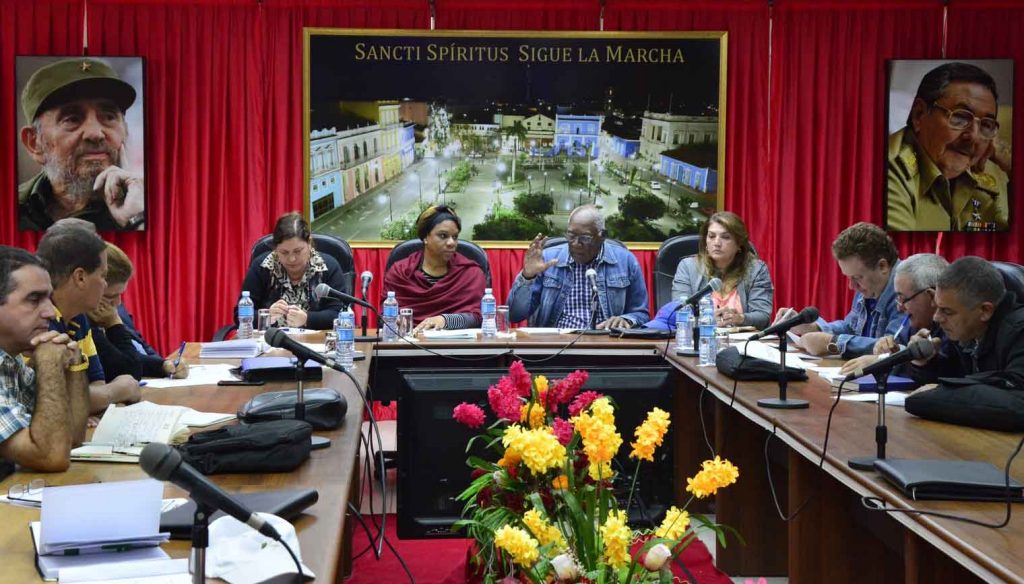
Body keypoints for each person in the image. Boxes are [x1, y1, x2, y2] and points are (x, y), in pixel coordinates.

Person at [18, 57, 144, 231]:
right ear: (34, 142)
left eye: (108, 117)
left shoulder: (151, 206)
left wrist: (138, 219)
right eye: (72, 119)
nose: (95, 134)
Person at [887, 62, 1010, 232]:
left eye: (986, 125)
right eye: (959, 117)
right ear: (919, 114)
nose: (973, 136)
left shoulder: (995, 171)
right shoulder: (892, 167)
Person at [904, 257, 1024, 430]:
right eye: (937, 307)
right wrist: (925, 363)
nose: (936, 318)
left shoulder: (1019, 332)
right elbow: (952, 378)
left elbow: (1016, 402)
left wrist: (944, 392)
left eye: (946, 311)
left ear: (985, 310)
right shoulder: (968, 330)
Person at [35, 219, 141, 414]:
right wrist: (116, 390)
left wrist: (92, 401)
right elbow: (57, 401)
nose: (104, 284)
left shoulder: (79, 317)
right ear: (80, 277)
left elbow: (95, 381)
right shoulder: (38, 322)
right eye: (103, 275)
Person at [0, 246, 90, 471]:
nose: (51, 312)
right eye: (34, 299)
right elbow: (51, 456)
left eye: (49, 298)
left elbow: (71, 438)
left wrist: (74, 365)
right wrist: (50, 362)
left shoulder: (12, 362)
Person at [507, 205, 649, 329]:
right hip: (556, 346)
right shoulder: (547, 260)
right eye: (571, 236)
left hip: (606, 344)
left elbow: (641, 314)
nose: (575, 243)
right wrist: (527, 276)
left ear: (602, 236)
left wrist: (626, 320)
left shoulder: (626, 261)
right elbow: (514, 315)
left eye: (585, 238)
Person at [779, 222, 902, 357]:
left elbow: (893, 349)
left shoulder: (906, 291)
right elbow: (851, 328)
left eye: (857, 277)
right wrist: (812, 327)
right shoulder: (869, 284)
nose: (851, 286)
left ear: (882, 266)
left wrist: (832, 343)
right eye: (849, 278)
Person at [839, 253, 957, 382]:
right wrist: (884, 348)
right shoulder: (914, 324)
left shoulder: (955, 327)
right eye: (897, 299)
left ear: (931, 296)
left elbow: (946, 376)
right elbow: (897, 348)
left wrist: (881, 362)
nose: (899, 307)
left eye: (903, 298)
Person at [649, 212, 772, 331]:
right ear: (706, 242)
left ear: (739, 244)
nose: (717, 243)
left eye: (725, 237)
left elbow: (762, 316)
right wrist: (708, 319)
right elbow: (681, 311)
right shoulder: (688, 267)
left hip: (743, 345)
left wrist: (741, 318)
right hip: (701, 341)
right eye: (712, 236)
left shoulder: (756, 269)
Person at [91, 242, 188, 379]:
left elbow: (131, 357)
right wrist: (114, 325)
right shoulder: (83, 321)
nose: (118, 303)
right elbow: (129, 370)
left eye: (120, 294)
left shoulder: (112, 310)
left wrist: (164, 365)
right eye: (110, 296)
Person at [383, 206, 487, 333]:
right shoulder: (400, 272)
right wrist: (393, 320)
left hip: (457, 349)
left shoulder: (470, 273)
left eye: (454, 237)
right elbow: (383, 315)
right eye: (443, 236)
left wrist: (445, 321)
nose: (451, 243)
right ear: (425, 237)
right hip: (409, 345)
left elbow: (478, 318)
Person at [239, 212, 348, 330]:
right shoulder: (262, 267)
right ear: (275, 248)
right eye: (284, 252)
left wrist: (307, 319)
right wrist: (267, 316)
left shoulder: (328, 267)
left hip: (316, 344)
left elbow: (340, 314)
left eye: (298, 251)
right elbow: (240, 315)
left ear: (309, 243)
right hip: (270, 344)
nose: (292, 259)